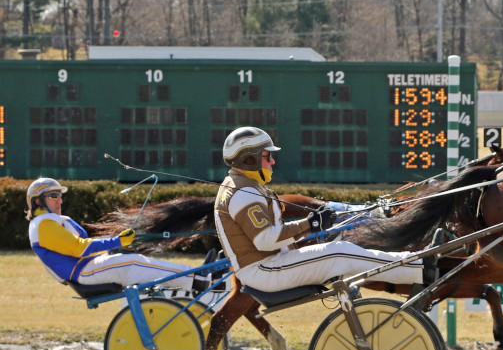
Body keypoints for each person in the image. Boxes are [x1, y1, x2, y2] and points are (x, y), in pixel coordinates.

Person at [213, 126, 436, 296]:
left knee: (340, 251)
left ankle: (413, 264)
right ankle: (418, 267)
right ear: (249, 159)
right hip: (264, 271)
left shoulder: (244, 187)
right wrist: (309, 224)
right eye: (267, 156)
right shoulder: (243, 192)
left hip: (268, 266)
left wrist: (311, 225)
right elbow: (265, 240)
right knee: (339, 252)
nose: (272, 161)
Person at [26, 177, 212, 293]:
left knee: (137, 262)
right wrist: (117, 241)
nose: (60, 201)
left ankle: (193, 277)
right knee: (134, 262)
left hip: (89, 268)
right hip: (85, 272)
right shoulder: (43, 225)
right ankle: (196, 279)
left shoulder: (48, 222)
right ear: (38, 202)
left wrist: (116, 245)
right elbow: (79, 248)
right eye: (54, 196)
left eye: (60, 196)